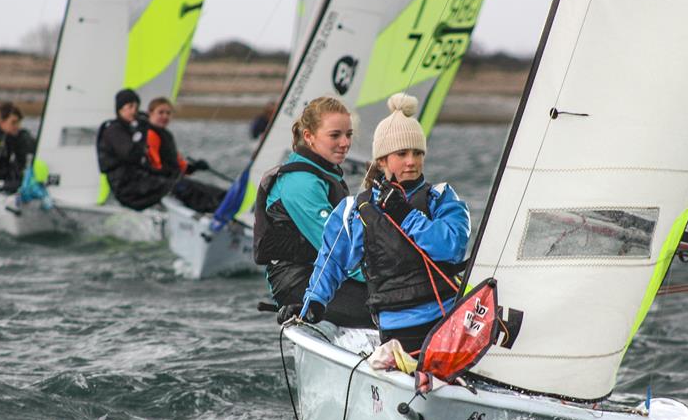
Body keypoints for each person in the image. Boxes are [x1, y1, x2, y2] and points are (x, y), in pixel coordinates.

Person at [278, 93, 470, 352]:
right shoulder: (356, 209)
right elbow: (331, 262)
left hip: (445, 323)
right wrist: (311, 304)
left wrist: (405, 215)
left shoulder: (442, 198)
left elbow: (450, 247)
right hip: (395, 329)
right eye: (401, 153)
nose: (411, 161)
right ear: (382, 160)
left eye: (417, 153)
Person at [254, 96, 373, 327]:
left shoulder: (323, 175)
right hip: (299, 285)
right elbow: (336, 248)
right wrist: (385, 277)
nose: (345, 143)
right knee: (394, 306)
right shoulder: (301, 184)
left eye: (348, 135)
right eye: (335, 135)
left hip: (325, 278)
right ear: (308, 136)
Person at [96, 89, 226, 213]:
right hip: (129, 187)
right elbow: (135, 157)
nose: (134, 111)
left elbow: (173, 166)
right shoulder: (116, 130)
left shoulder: (154, 133)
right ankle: (215, 213)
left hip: (144, 181)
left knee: (203, 189)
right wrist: (141, 132)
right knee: (182, 187)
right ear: (120, 109)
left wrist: (193, 168)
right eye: (130, 106)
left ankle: (224, 205)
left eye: (136, 107)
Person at [0, 102, 36, 169]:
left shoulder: (26, 139)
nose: (17, 126)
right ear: (1, 122)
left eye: (19, 122)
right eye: (13, 122)